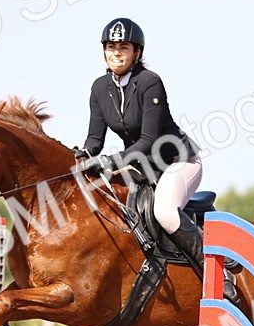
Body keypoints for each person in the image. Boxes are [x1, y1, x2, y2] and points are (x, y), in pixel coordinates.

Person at [74, 17, 236, 300]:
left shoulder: (150, 82)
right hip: (143, 169)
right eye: (111, 47)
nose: (116, 53)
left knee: (164, 212)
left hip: (178, 162)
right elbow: (95, 141)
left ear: (137, 52)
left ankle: (218, 274)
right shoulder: (100, 88)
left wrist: (111, 163)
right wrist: (81, 156)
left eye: (123, 47)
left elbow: (148, 141)